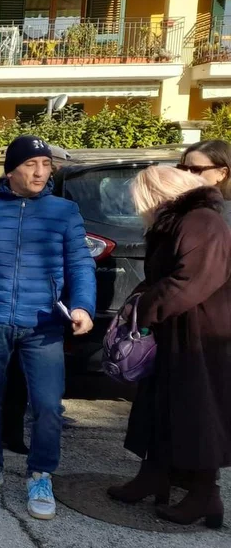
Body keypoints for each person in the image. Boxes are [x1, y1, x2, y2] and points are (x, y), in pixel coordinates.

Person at [0, 135, 96, 521]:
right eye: (30, 164)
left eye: (46, 165)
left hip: (44, 323)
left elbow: (80, 264)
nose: (40, 172)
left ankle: (40, 474)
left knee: (48, 405)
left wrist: (83, 305)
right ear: (11, 169)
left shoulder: (64, 211)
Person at [110, 165, 231, 528]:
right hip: (176, 328)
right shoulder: (186, 221)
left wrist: (145, 309)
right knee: (160, 404)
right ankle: (154, 475)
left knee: (198, 410)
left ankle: (205, 494)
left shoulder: (202, 223)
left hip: (200, 334)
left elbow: (190, 281)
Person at [178, 139, 231, 228]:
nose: (187, 174)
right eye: (183, 168)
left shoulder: (226, 215)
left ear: (222, 173)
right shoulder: (180, 204)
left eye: (196, 169)